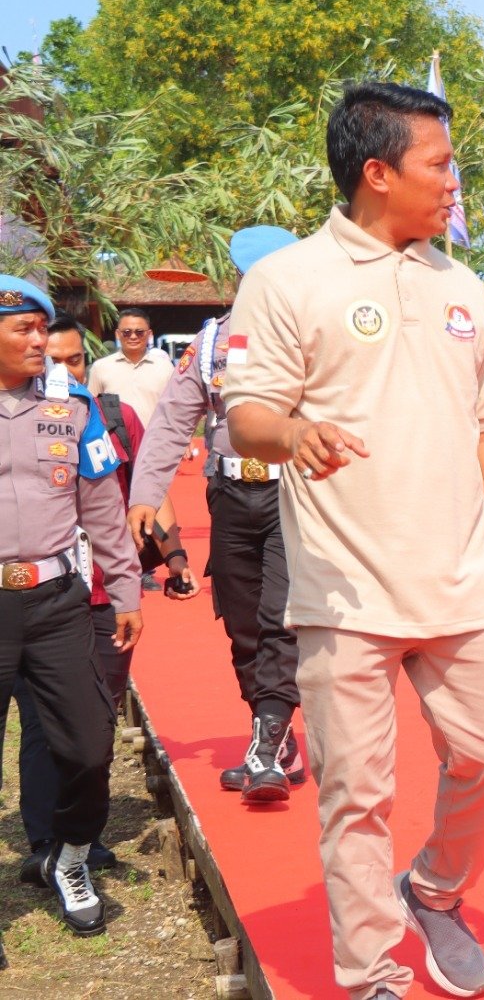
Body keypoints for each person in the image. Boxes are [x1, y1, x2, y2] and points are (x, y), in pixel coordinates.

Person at [223, 82, 484, 1000]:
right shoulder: (288, 279)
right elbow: (247, 415)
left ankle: (436, 890)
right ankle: (372, 975)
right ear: (377, 173)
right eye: (440, 165)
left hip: (462, 582)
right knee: (356, 799)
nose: (455, 183)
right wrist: (293, 434)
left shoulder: (463, 285)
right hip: (343, 590)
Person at [129, 225, 305, 803]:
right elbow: (170, 424)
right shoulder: (210, 345)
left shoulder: (314, 335)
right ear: (239, 280)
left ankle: (263, 750)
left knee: (281, 616)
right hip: (230, 497)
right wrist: (145, 495)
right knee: (240, 619)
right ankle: (274, 735)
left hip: (294, 497)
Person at [11, 317, 188, 887]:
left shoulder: (94, 413)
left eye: (65, 353)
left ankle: (74, 849)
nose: (48, 354)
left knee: (90, 735)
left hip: (76, 599)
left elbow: (124, 503)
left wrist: (147, 574)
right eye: (28, 333)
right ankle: (45, 843)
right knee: (39, 730)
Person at [0, 276, 142, 938]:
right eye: (23, 329)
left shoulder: (74, 404)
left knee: (88, 747)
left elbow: (105, 508)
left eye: (41, 327)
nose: (41, 341)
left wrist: (126, 588)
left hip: (57, 601)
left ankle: (72, 856)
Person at [87, 306, 174, 427]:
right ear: (118, 334)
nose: (133, 337)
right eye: (127, 332)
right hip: (115, 443)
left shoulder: (165, 368)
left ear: (149, 334)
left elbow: (175, 409)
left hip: (155, 441)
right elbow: (92, 409)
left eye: (139, 332)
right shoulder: (100, 368)